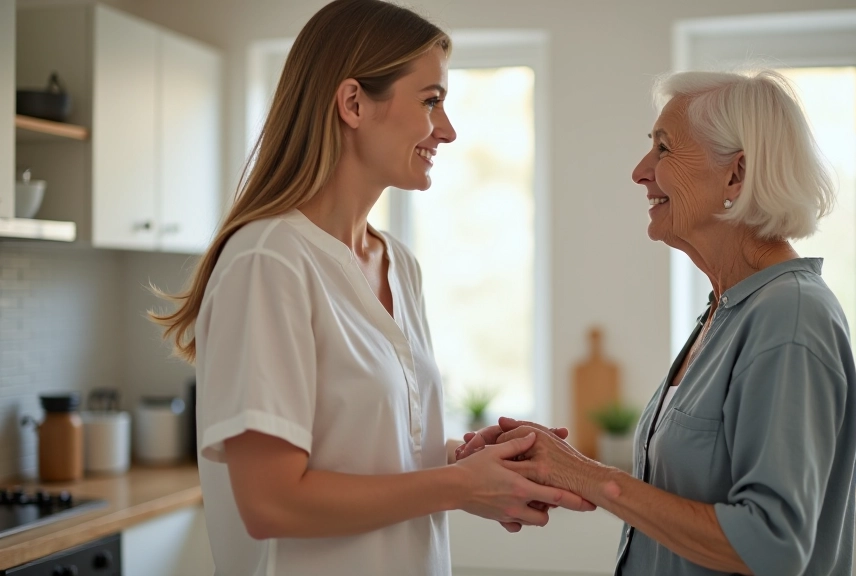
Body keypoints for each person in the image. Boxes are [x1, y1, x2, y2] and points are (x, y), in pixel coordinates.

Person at [149, 1, 592, 574]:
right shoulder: (269, 260)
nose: (448, 130)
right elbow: (270, 502)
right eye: (431, 100)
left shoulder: (399, 265)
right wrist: (458, 485)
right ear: (353, 102)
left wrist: (475, 463)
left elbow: (376, 457)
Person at [459, 70, 856, 576]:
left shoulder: (791, 315)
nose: (640, 171)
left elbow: (771, 546)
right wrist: (554, 460)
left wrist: (588, 476)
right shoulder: (723, 311)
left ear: (735, 175)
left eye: (664, 149)